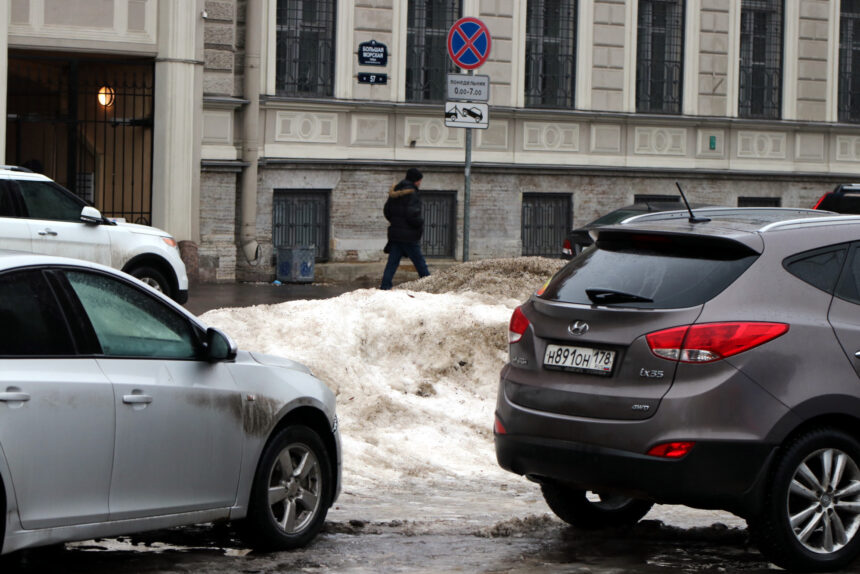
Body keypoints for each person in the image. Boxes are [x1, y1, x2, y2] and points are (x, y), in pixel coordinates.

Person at [380, 167, 430, 290]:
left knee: (392, 263)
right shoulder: (412, 193)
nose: (420, 183)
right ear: (415, 180)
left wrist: (396, 222)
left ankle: (385, 286)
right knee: (419, 262)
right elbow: (412, 214)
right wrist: (420, 223)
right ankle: (430, 285)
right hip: (409, 235)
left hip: (396, 234)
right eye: (419, 180)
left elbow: (387, 211)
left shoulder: (395, 192)